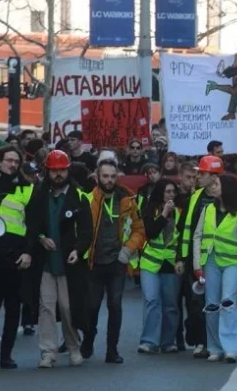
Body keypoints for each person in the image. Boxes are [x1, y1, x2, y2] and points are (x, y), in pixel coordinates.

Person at [27, 150, 92, 368]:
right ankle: (48, 352)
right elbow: (32, 225)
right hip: (46, 261)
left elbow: (86, 231)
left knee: (66, 307)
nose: (58, 174)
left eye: (62, 170)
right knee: (46, 307)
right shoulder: (39, 195)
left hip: (69, 263)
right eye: (54, 170)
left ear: (68, 170)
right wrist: (41, 238)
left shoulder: (79, 196)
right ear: (48, 171)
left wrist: (78, 250)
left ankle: (74, 347)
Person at [83, 159, 146, 364]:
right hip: (94, 262)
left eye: (112, 176)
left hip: (117, 262)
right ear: (97, 177)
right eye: (105, 176)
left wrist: (128, 250)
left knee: (115, 305)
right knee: (92, 306)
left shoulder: (127, 200)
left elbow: (139, 229)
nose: (109, 180)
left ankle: (112, 350)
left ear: (117, 176)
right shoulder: (89, 199)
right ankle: (89, 339)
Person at [193, 174, 237, 362]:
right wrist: (196, 265)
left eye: (216, 184)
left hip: (232, 263)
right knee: (211, 305)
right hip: (210, 261)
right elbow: (197, 236)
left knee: (228, 303)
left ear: (227, 188)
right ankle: (215, 347)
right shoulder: (208, 209)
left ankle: (231, 348)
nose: (212, 186)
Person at [0, 146, 38, 369]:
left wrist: (28, 252)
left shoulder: (27, 189)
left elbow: (33, 226)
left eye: (15, 161)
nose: (12, 164)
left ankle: (6, 356)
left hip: (15, 257)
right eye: (8, 160)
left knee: (12, 309)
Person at [179, 155, 224, 358]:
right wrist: (181, 257)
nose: (198, 176)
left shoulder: (226, 197)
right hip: (196, 259)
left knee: (216, 303)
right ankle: (200, 341)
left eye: (202, 173)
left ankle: (216, 341)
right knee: (195, 303)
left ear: (213, 175)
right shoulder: (194, 198)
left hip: (220, 258)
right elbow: (185, 229)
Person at [138, 178, 183, 354]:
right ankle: (148, 341)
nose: (171, 195)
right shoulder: (150, 210)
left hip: (170, 262)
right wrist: (164, 214)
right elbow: (151, 232)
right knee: (152, 300)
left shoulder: (180, 212)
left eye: (173, 192)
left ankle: (168, 341)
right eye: (167, 192)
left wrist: (180, 259)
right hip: (151, 262)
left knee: (171, 304)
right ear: (160, 194)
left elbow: (182, 239)